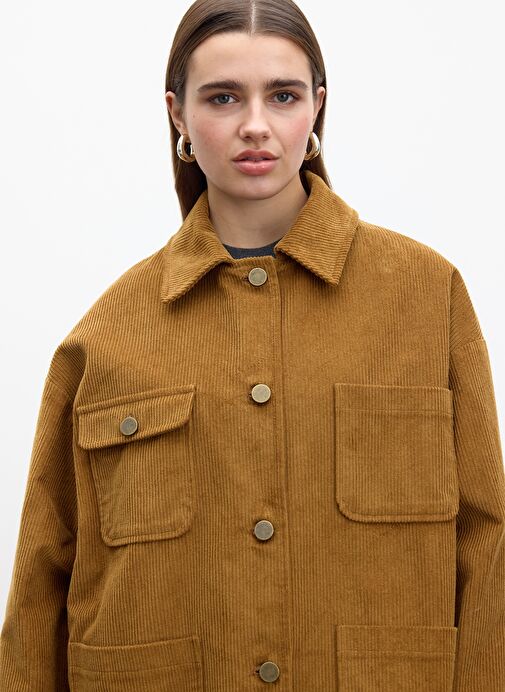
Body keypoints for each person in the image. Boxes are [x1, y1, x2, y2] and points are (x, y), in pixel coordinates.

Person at [1, 0, 504, 689]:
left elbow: (486, 543)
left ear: (318, 105)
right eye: (223, 97)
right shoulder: (108, 335)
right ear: (178, 115)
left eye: (283, 95)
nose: (255, 125)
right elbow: (42, 579)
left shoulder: (425, 298)